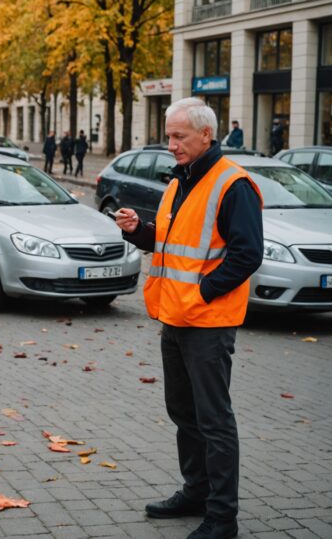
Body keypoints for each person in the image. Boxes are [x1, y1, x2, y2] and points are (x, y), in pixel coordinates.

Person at [116, 97, 263, 539]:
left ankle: (222, 518)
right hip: (174, 318)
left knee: (214, 421)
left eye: (179, 136)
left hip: (209, 323)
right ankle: (195, 492)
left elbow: (247, 253)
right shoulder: (181, 180)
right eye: (168, 136)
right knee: (183, 413)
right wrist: (138, 230)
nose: (171, 144)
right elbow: (172, 239)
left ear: (206, 135)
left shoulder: (231, 184)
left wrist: (203, 291)